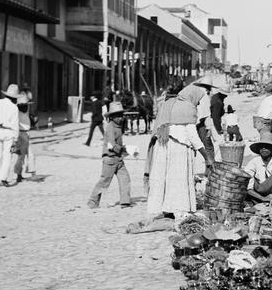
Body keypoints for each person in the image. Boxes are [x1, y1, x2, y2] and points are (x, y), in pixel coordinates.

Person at [145, 84, 213, 217]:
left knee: (163, 177)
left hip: (163, 144)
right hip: (179, 147)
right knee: (178, 179)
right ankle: (178, 207)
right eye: (198, 100)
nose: (198, 103)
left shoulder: (169, 103)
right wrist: (207, 157)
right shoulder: (188, 107)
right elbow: (193, 136)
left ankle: (163, 208)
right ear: (192, 96)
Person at [87, 101, 131, 208]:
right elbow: (113, 145)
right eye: (118, 116)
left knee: (125, 178)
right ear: (112, 117)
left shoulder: (118, 127)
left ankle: (125, 201)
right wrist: (126, 149)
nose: (121, 118)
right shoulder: (111, 127)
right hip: (110, 159)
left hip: (119, 159)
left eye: (121, 116)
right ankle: (93, 201)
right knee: (104, 182)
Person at [244, 130, 272, 203]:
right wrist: (262, 198)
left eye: (267, 147)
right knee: (247, 177)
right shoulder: (254, 161)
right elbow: (248, 187)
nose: (264, 149)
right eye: (261, 147)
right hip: (259, 190)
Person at [12, 94, 37, 183]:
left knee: (22, 156)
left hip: (26, 132)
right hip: (21, 133)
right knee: (27, 155)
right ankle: (30, 174)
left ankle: (20, 174)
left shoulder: (25, 110)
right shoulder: (16, 110)